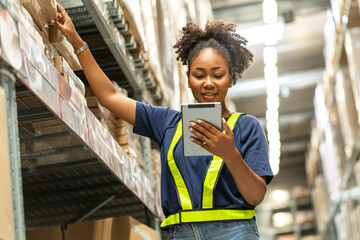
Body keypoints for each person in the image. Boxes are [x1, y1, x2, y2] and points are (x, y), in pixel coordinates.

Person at [54, 3, 273, 239]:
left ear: (231, 79)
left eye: (218, 75)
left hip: (235, 234)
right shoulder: (167, 123)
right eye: (199, 75)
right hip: (181, 234)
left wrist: (229, 153)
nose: (208, 83)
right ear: (188, 79)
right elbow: (109, 97)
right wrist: (77, 42)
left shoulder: (247, 127)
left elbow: (255, 196)